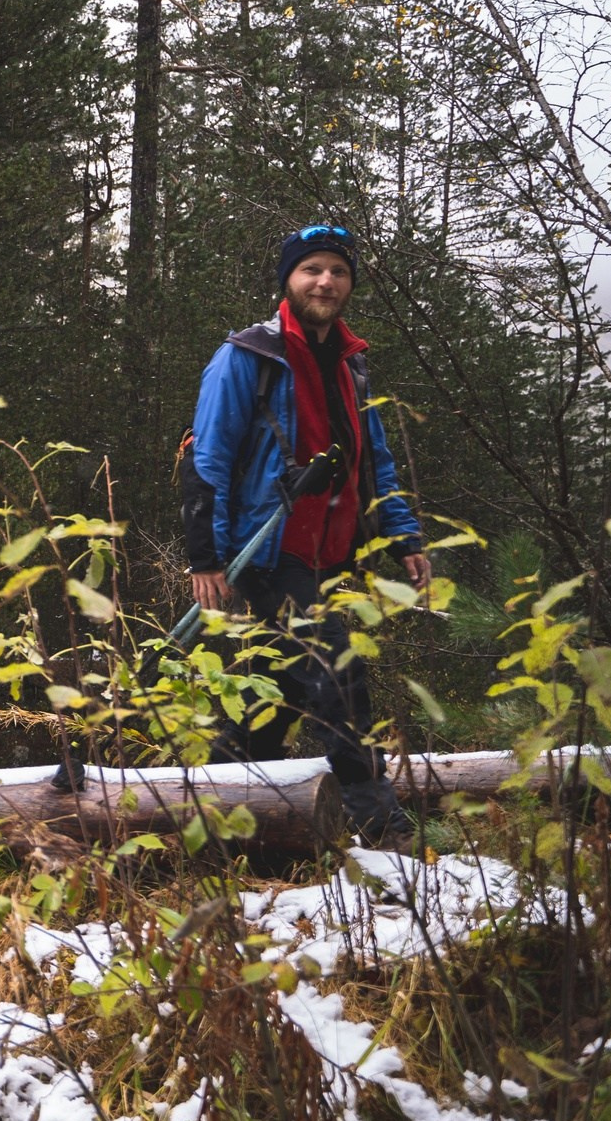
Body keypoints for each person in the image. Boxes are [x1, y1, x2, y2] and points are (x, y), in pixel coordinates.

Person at [183, 223, 430, 842]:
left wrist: (404, 537)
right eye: (312, 269)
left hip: (333, 554)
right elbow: (208, 458)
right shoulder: (248, 356)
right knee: (336, 670)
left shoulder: (350, 362)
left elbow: (375, 460)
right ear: (288, 280)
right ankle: (380, 823)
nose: (325, 281)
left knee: (280, 687)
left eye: (338, 272)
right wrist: (205, 556)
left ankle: (213, 807)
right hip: (269, 551)